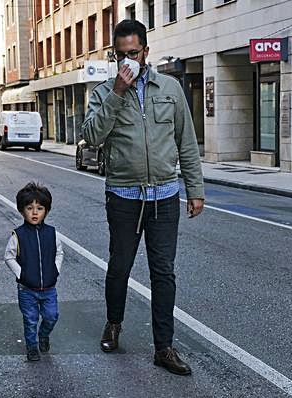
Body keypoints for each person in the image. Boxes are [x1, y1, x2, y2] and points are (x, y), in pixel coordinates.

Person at [82, 19, 205, 376]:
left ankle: (163, 347)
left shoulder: (170, 88)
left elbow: (186, 141)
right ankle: (114, 324)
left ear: (146, 52)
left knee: (163, 272)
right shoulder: (104, 92)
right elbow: (91, 136)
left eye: (132, 54)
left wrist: (194, 190)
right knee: (119, 266)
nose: (127, 61)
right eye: (120, 55)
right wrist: (119, 93)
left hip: (165, 196)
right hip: (123, 195)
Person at [4, 182, 64, 362]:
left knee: (52, 316)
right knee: (30, 319)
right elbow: (9, 256)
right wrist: (21, 274)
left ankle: (44, 335)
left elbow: (59, 253)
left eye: (40, 208)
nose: (35, 212)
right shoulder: (18, 235)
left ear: (47, 211)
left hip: (49, 288)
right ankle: (32, 347)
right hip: (27, 289)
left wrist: (55, 270)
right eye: (30, 208)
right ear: (22, 211)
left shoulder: (52, 234)